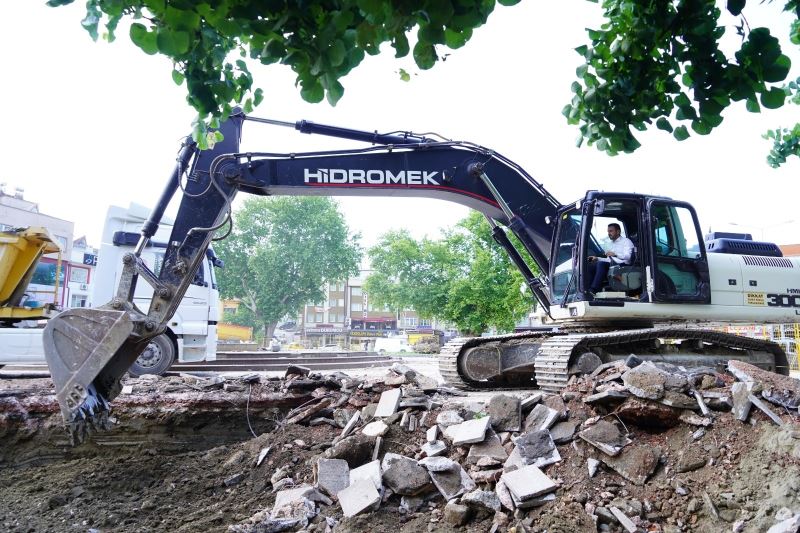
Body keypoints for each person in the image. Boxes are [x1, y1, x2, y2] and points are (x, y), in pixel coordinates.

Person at [586, 223, 634, 294]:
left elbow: (628, 257)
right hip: (612, 265)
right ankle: (587, 289)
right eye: (608, 231)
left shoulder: (626, 241)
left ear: (618, 232)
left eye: (611, 231)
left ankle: (594, 289)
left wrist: (615, 254)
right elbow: (609, 260)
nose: (609, 233)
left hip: (623, 266)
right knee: (589, 266)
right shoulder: (611, 244)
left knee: (601, 264)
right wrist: (597, 258)